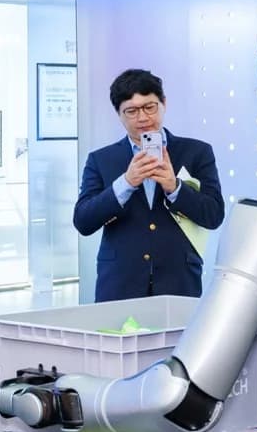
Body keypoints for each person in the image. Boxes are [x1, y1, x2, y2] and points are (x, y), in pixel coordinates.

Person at [73, 68, 225, 302]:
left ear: (163, 103)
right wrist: (125, 183)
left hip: (179, 281)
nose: (142, 118)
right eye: (131, 111)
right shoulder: (101, 159)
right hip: (119, 283)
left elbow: (214, 216)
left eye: (149, 107)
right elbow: (83, 221)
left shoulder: (197, 152)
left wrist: (175, 188)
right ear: (119, 114)